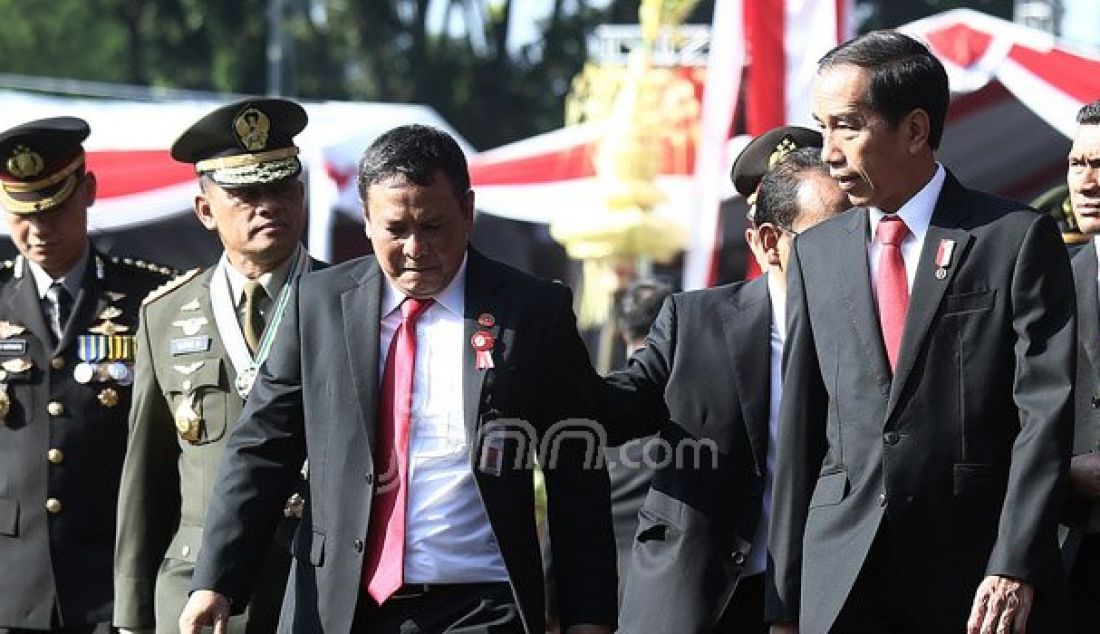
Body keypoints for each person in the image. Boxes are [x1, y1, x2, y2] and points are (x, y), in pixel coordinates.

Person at [178, 124, 617, 633]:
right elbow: (262, 448)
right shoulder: (317, 304)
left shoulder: (531, 310)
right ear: (365, 221)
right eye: (396, 229)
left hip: (480, 605)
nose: (415, 248)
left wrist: (588, 617)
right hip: (340, 605)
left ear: (469, 213)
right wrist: (216, 581)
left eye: (433, 226)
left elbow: (574, 471)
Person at [769, 30, 1075, 634]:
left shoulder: (1011, 238)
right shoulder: (816, 254)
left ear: (914, 129)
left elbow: (1045, 413)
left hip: (972, 577)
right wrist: (785, 602)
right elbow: (803, 431)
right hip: (842, 576)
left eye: (848, 126)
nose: (827, 151)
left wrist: (1016, 561)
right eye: (821, 126)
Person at [601, 129, 848, 633]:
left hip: (816, 601)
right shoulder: (695, 321)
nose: (849, 253)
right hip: (694, 599)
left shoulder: (873, 331)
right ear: (768, 243)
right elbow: (618, 407)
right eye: (829, 238)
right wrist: (548, 354)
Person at [112, 98, 324, 633]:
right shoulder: (164, 315)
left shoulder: (349, 302)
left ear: (301, 194)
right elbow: (148, 481)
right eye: (247, 194)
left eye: (280, 188)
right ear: (206, 210)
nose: (268, 205)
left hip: (313, 584)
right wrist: (133, 617)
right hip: (197, 589)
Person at [0, 117, 174, 633]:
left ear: (89, 190)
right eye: (23, 212)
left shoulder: (149, 300)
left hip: (111, 579)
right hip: (11, 583)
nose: (38, 228)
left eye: (52, 206)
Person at [1063, 98, 1100, 633]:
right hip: (1073, 553)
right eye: (1077, 163)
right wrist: (1063, 467)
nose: (1088, 182)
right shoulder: (1049, 287)